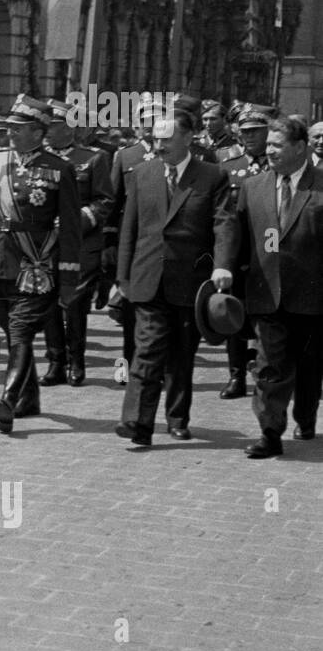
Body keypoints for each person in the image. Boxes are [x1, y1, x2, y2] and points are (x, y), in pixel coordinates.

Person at [115, 117, 234, 446]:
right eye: (155, 138)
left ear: (188, 138)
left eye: (166, 139)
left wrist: (222, 266)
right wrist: (122, 276)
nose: (159, 145)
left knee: (182, 354)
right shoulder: (142, 174)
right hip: (148, 278)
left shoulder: (213, 176)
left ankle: (177, 418)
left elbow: (224, 225)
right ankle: (137, 422)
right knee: (147, 349)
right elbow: (131, 227)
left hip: (191, 281)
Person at [0, 96, 82, 434]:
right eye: (10, 128)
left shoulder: (60, 169)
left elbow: (72, 227)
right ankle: (29, 398)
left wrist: (69, 276)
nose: (10, 133)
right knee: (13, 333)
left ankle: (8, 398)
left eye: (18, 129)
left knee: (20, 333)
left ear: (38, 132)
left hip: (35, 263)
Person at [213, 117, 323, 458]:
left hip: (313, 296)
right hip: (266, 292)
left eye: (278, 145)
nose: (270, 150)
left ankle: (305, 416)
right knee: (269, 366)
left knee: (308, 368)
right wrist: (223, 264)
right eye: (269, 145)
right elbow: (233, 227)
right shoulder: (253, 186)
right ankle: (270, 433)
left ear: (300, 147)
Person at [39, 98, 113, 387]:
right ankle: (55, 362)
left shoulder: (93, 158)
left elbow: (105, 200)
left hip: (81, 243)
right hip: (46, 243)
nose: (48, 131)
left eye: (54, 126)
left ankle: (76, 361)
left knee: (75, 303)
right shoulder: (41, 158)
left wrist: (77, 220)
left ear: (70, 128)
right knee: (48, 303)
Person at [214, 103, 273, 400]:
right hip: (238, 252)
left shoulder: (278, 163)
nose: (249, 136)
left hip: (271, 251)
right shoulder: (226, 166)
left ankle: (266, 372)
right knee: (233, 316)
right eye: (245, 130)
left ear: (268, 131)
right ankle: (236, 375)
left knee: (269, 316)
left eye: (256, 131)